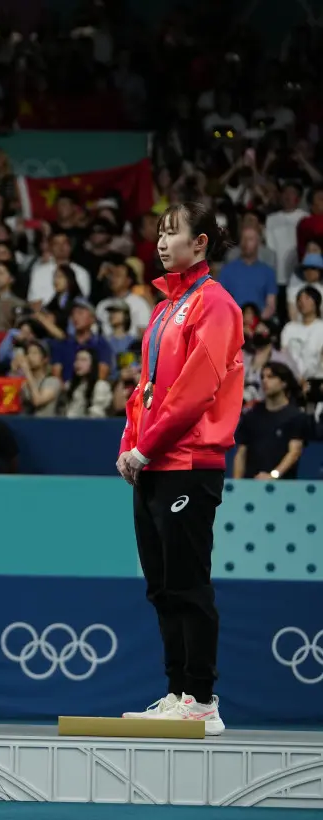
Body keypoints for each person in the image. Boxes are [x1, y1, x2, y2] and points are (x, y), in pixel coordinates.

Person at [117, 202, 243, 736]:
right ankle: (176, 695)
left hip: (188, 462)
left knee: (188, 583)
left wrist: (146, 448)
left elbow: (195, 391)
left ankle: (203, 698)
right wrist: (131, 441)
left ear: (202, 243)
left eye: (173, 233)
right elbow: (146, 387)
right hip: (152, 460)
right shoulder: (165, 307)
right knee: (161, 585)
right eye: (160, 231)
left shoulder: (215, 305)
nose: (162, 241)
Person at [232, 362, 310, 480]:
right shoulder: (251, 416)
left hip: (283, 488)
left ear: (284, 383)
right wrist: (237, 484)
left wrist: (273, 475)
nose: (265, 381)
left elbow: (294, 452)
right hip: (251, 485)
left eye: (271, 377)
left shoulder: (296, 416)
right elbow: (241, 453)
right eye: (263, 377)